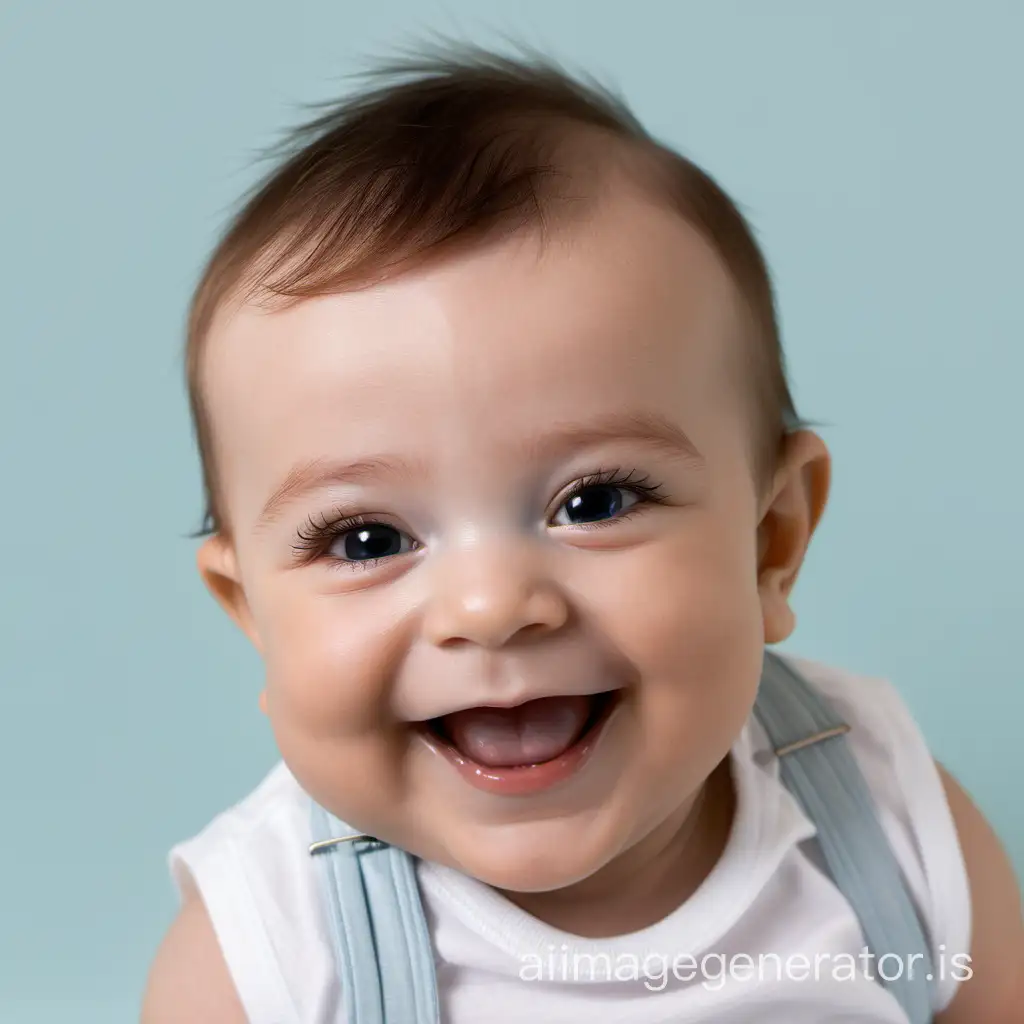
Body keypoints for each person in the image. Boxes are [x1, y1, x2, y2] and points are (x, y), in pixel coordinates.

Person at [141, 47, 1023, 1023]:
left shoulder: (889, 832)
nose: (490, 605)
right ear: (253, 614)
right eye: (364, 538)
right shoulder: (268, 953)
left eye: (594, 501)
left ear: (770, 540)